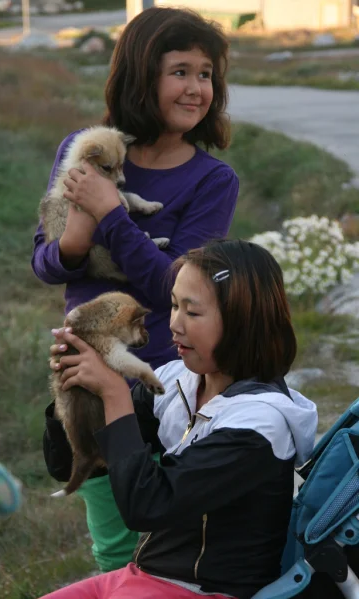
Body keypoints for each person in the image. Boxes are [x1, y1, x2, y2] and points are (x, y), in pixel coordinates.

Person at [33, 6, 239, 572]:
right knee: (117, 548)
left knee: (174, 544)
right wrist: (75, 241)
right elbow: (46, 263)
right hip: (88, 375)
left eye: (206, 74)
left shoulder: (212, 181)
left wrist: (111, 215)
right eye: (181, 71)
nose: (198, 87)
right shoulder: (86, 149)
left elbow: (175, 288)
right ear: (141, 76)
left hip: (171, 383)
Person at [41, 238, 318, 599]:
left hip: (202, 591)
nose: (174, 324)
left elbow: (147, 506)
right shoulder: (178, 383)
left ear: (242, 321)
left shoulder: (260, 424)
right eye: (173, 306)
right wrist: (75, 388)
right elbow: (71, 463)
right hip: (141, 576)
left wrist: (114, 394)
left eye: (192, 312)